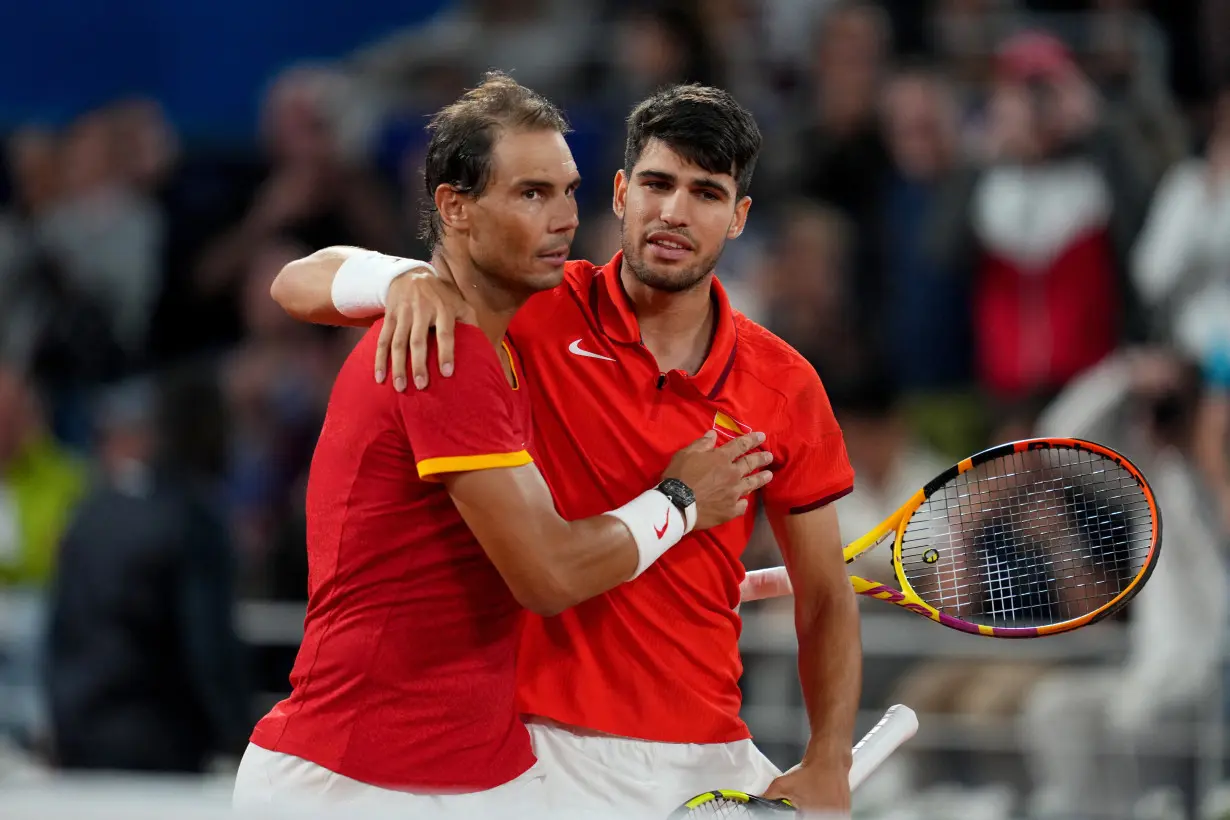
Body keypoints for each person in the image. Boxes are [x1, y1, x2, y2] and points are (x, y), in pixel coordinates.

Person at [271, 83, 861, 816]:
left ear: (739, 218)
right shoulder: (527, 307)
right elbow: (294, 283)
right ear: (619, 194)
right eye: (657, 183)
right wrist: (403, 278)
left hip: (714, 750)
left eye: (707, 193)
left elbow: (826, 595)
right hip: (541, 758)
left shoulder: (786, 385)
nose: (675, 211)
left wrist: (828, 756)